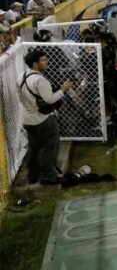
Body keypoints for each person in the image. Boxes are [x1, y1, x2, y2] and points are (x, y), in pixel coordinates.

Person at [20, 50, 73, 185]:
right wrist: (63, 90)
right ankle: (49, 176)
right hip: (42, 119)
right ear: (35, 64)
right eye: (43, 60)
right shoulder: (40, 80)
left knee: (34, 148)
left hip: (27, 119)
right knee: (50, 147)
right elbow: (50, 100)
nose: (46, 62)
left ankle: (32, 176)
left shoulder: (21, 77)